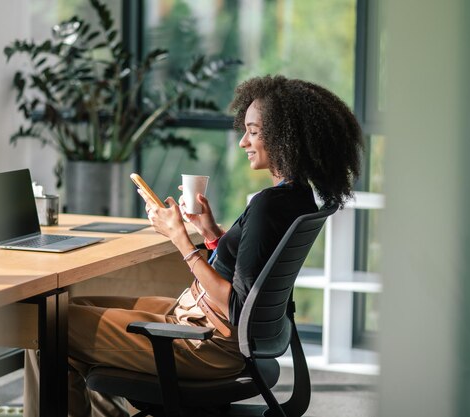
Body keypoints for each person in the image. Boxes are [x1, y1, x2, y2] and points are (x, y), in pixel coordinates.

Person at [23, 75, 363, 417]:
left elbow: (234, 305)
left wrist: (181, 239)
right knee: (72, 308)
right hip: (205, 326)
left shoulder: (268, 206)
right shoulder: (296, 199)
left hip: (205, 344)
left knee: (47, 327)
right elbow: (252, 278)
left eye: (254, 131)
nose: (244, 141)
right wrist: (211, 232)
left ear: (286, 136)